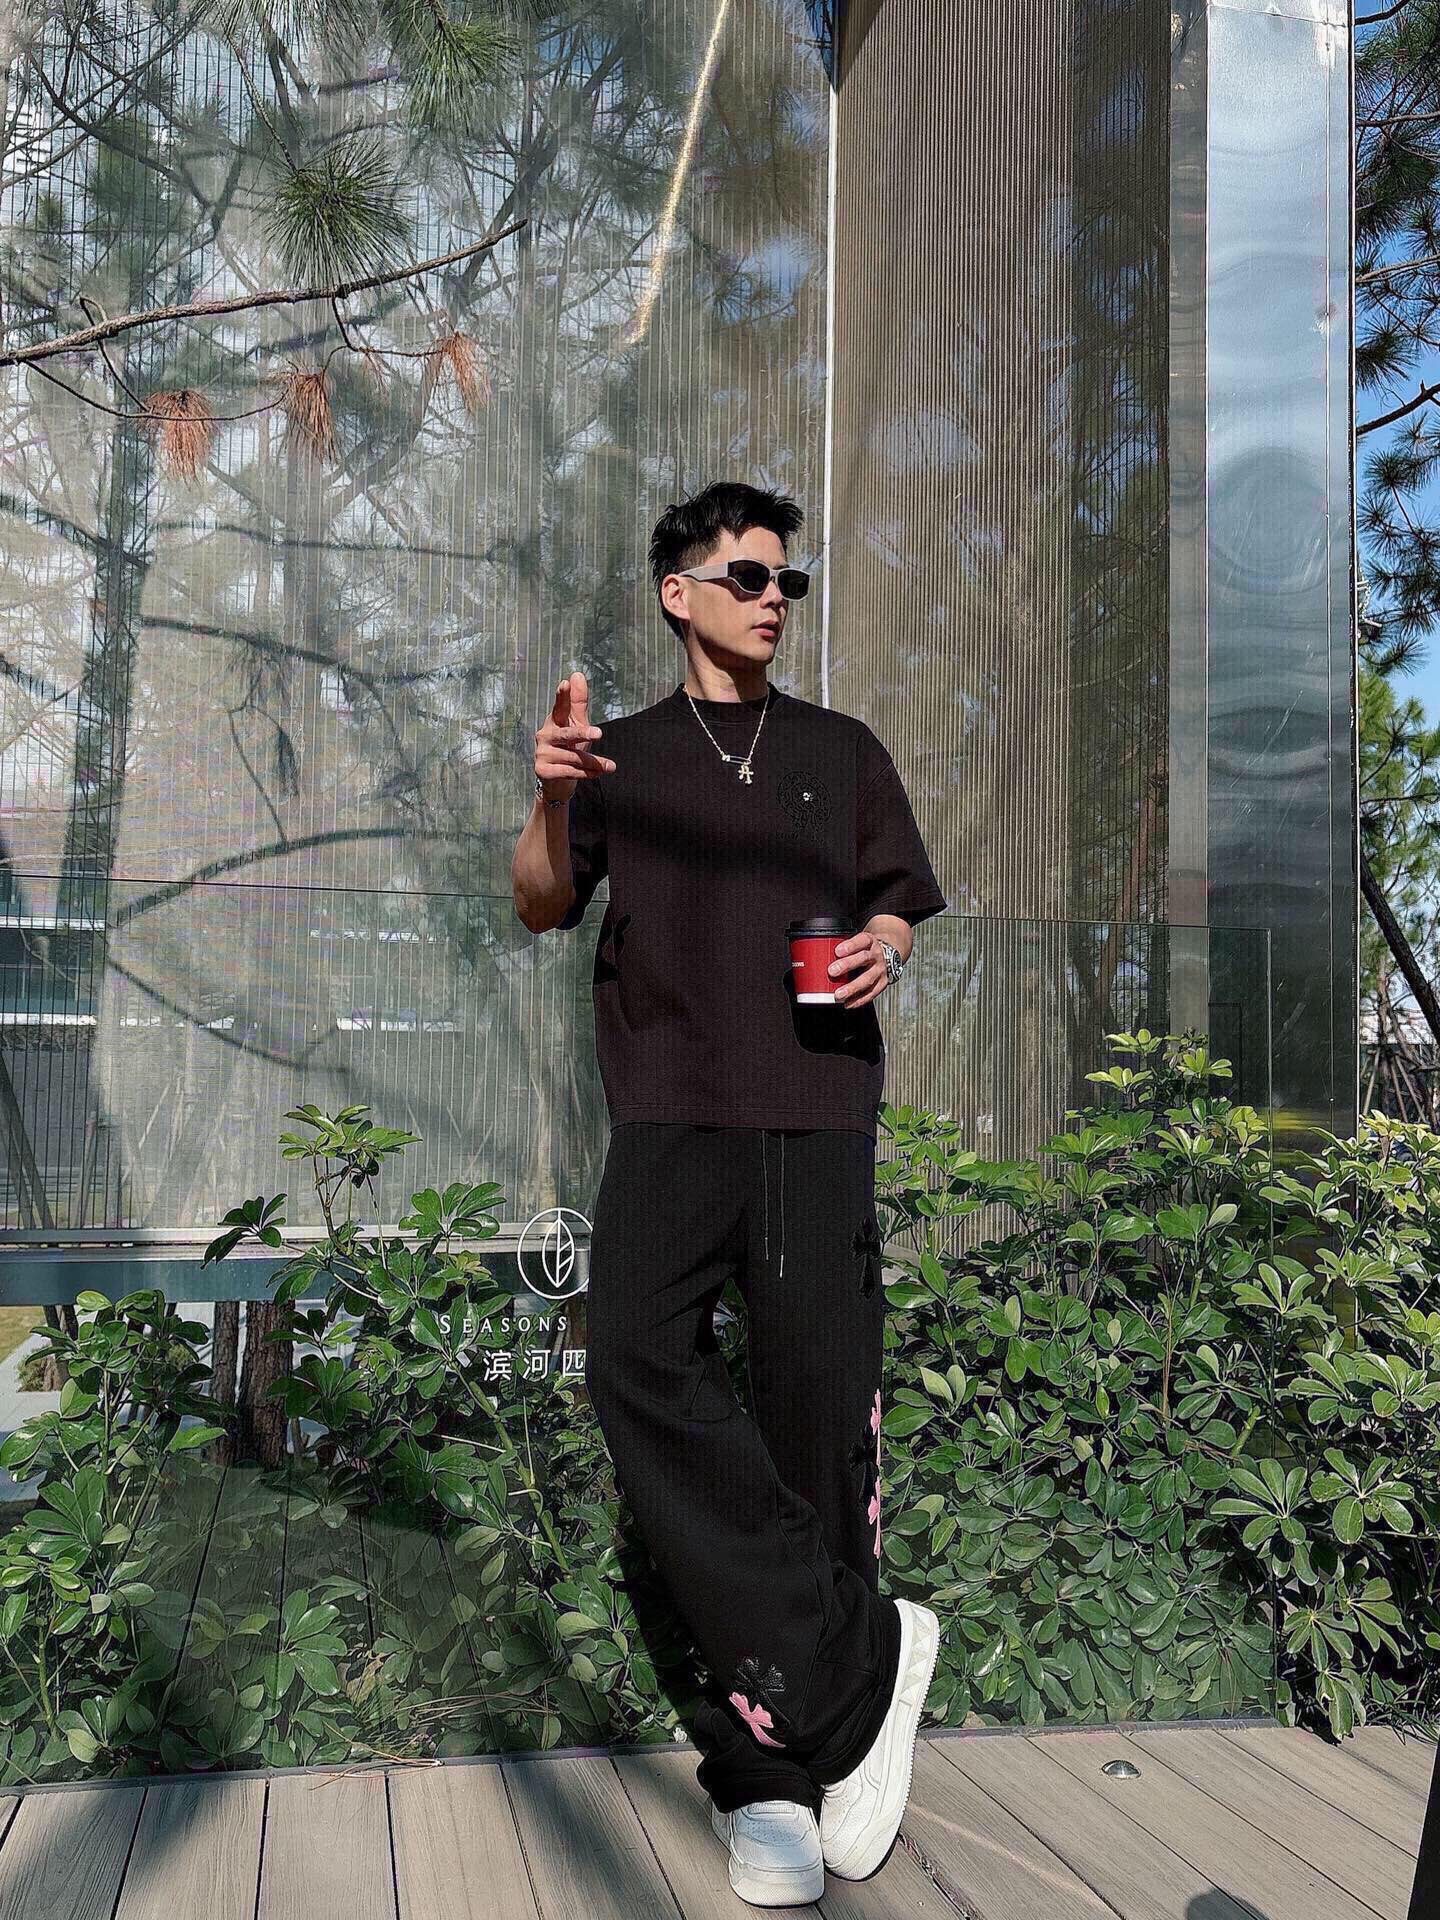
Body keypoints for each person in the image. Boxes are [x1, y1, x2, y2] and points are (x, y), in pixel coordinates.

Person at [511, 480, 947, 1905]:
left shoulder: (842, 749)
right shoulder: (621, 756)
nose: (774, 599)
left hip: (818, 1116)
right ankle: (851, 1678)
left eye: (786, 582)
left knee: (818, 1419)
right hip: (672, 1119)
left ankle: (793, 1776)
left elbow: (897, 894)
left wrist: (884, 944)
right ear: (677, 592)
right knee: (634, 1363)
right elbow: (538, 901)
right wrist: (552, 797)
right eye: (749, 576)